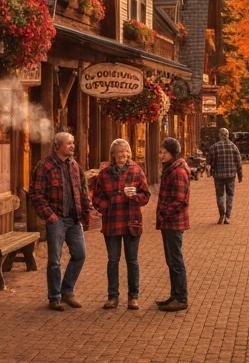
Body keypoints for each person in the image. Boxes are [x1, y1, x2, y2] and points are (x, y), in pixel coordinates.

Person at [28, 131, 91, 311]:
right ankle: (54, 297)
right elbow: (36, 194)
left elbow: (83, 190)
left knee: (80, 254)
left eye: (73, 142)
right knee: (55, 261)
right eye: (68, 143)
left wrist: (86, 211)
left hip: (74, 219)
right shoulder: (44, 166)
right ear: (57, 146)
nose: (72, 146)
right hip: (56, 219)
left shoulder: (74, 165)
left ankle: (67, 292)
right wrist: (50, 215)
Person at [89, 139, 150, 310]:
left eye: (126, 151)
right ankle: (112, 297)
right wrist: (107, 205)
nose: (124, 154)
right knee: (113, 260)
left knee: (132, 261)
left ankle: (133, 297)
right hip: (112, 221)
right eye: (120, 151)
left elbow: (146, 195)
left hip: (132, 221)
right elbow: (96, 197)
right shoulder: (104, 174)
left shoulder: (137, 171)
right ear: (113, 155)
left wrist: (135, 197)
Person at [155, 137, 190, 312]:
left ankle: (181, 298)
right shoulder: (170, 169)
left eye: (164, 152)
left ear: (173, 153)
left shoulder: (178, 172)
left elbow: (180, 200)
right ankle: (175, 295)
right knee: (172, 260)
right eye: (160, 152)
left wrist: (164, 213)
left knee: (175, 260)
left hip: (174, 223)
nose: (161, 155)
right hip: (168, 222)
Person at [205, 128, 243, 224]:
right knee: (230, 196)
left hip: (218, 175)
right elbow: (238, 162)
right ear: (228, 135)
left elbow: (208, 161)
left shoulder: (214, 147)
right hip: (231, 175)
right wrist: (240, 175)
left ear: (219, 135)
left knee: (220, 195)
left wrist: (209, 171)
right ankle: (227, 217)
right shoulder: (234, 147)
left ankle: (222, 213)